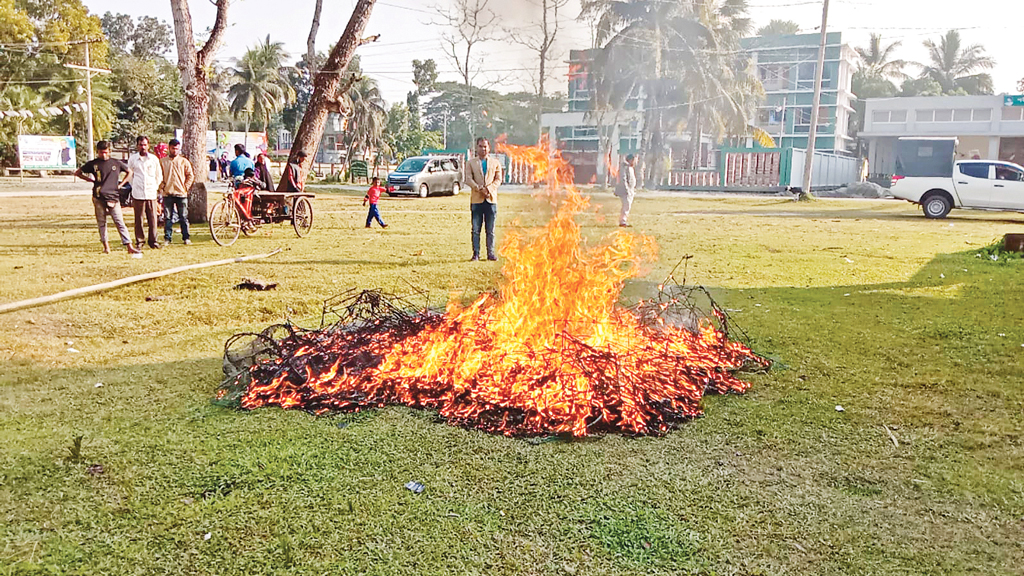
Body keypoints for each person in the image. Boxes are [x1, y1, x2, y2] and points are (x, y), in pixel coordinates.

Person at [75, 140, 142, 256]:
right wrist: (91, 180)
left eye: (106, 152)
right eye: (101, 153)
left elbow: (129, 172)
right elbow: (78, 172)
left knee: (119, 221)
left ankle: (129, 246)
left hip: (113, 197)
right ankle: (106, 246)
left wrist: (121, 185)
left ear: (109, 152)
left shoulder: (116, 163)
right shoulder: (93, 164)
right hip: (98, 197)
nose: (103, 155)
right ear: (98, 152)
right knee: (102, 222)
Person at [464, 137, 502, 261]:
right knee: (476, 229)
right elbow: (468, 179)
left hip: (491, 200)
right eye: (480, 146)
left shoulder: (495, 162)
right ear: (477, 147)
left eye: (485, 146)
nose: (483, 149)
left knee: (490, 230)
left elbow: (498, 179)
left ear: (489, 147)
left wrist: (489, 189)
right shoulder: (470, 163)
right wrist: (479, 188)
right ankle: (476, 254)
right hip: (477, 200)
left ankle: (490, 254)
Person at [127, 135, 162, 250]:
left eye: (145, 144)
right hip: (138, 194)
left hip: (151, 193)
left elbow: (159, 176)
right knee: (139, 219)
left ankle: (153, 241)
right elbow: (129, 175)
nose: (143, 147)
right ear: (137, 146)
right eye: (141, 145)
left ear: (148, 145)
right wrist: (134, 186)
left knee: (153, 219)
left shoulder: (153, 159)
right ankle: (140, 241)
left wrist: (154, 187)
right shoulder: (132, 159)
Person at [158, 138, 195, 245]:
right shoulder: (163, 162)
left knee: (183, 217)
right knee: (168, 217)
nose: (175, 151)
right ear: (169, 148)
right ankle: (167, 238)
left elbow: (190, 176)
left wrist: (185, 187)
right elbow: (159, 176)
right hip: (168, 193)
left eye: (177, 149)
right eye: (173, 148)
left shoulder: (184, 162)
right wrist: (162, 187)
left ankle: (186, 237)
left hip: (181, 193)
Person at [614, 154, 637, 227]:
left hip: (630, 190)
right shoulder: (624, 167)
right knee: (626, 205)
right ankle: (622, 221)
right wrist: (626, 189)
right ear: (630, 160)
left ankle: (624, 220)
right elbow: (623, 178)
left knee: (628, 205)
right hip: (625, 191)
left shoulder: (630, 167)